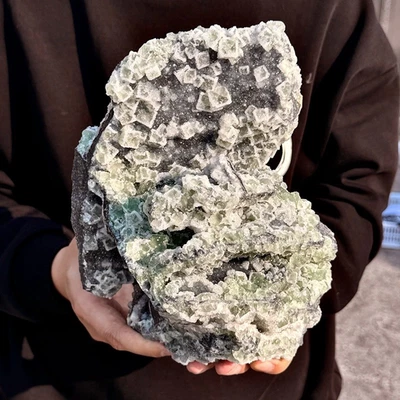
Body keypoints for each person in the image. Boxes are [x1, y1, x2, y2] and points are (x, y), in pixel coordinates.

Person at [0, 0, 398, 399]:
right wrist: (56, 270)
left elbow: (358, 177)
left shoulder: (333, 12)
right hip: (54, 379)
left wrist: (294, 300)